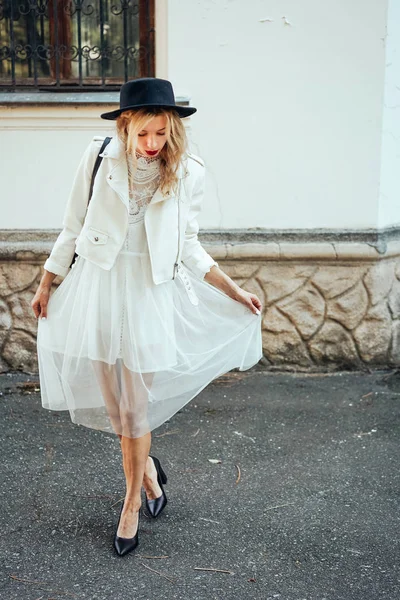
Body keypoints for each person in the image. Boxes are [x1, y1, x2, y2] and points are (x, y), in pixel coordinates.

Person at [31, 77, 263, 557]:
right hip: (98, 286)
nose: (152, 145)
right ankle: (150, 472)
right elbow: (72, 226)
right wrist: (46, 281)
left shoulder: (187, 173)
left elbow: (190, 246)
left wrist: (234, 289)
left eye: (161, 134)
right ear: (125, 126)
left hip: (149, 292)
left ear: (172, 130)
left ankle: (132, 502)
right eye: (143, 134)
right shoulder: (98, 158)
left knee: (136, 409)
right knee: (118, 412)